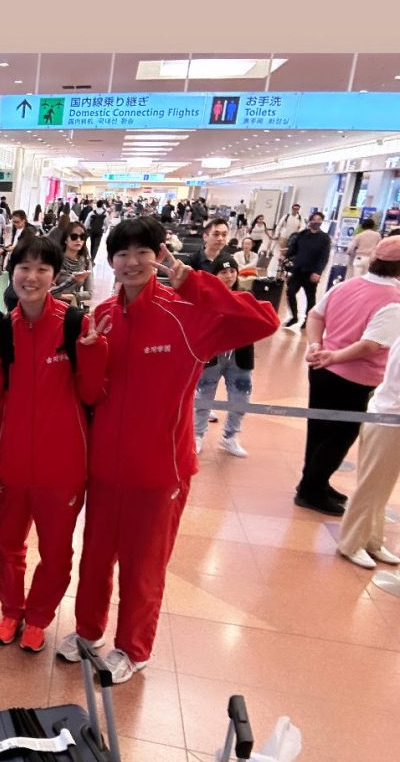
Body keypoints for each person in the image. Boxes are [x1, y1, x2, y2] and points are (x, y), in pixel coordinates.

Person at [56, 216, 279, 683]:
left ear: (160, 255)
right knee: (94, 558)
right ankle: (88, 631)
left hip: (161, 470)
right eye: (122, 254)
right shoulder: (103, 315)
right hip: (105, 467)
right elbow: (92, 394)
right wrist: (91, 352)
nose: (132, 262)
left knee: (143, 566)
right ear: (111, 261)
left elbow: (265, 319)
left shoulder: (186, 311)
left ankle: (133, 649)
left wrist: (197, 284)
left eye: (143, 252)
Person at [0, 237, 108, 652]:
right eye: (24, 267)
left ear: (55, 277)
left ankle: (38, 617)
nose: (31, 277)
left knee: (56, 552)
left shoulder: (75, 326)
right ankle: (10, 611)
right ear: (12, 272)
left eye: (42, 269)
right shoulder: (1, 333)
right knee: (8, 544)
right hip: (12, 464)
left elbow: (91, 394)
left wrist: (94, 352)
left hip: (63, 467)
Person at [295, 238, 400, 515]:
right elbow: (370, 345)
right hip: (353, 378)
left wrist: (316, 346)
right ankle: (311, 492)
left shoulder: (347, 285)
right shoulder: (393, 300)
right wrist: (335, 356)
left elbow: (315, 315)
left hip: (321, 370)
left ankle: (313, 482)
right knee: (340, 435)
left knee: (318, 431)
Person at [336, 328, 400, 569]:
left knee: (384, 485)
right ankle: (351, 543)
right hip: (387, 418)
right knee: (370, 485)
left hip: (392, 419)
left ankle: (372, 539)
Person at [194, 260, 257, 457]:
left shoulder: (246, 296)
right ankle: (197, 435)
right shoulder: (206, 297)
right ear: (215, 275)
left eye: (232, 271)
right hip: (212, 355)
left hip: (240, 356)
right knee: (204, 395)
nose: (229, 276)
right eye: (223, 272)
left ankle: (230, 436)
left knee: (241, 398)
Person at [282, 210, 332, 327]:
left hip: (311, 272)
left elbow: (324, 257)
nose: (316, 222)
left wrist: (318, 272)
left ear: (322, 222)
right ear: (310, 221)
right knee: (290, 292)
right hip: (298, 270)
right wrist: (285, 255)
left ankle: (307, 320)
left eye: (319, 220)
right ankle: (294, 317)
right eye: (314, 219)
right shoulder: (302, 234)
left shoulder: (325, 238)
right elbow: (294, 249)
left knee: (310, 297)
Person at [51, 221, 93, 308]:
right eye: (74, 237)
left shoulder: (86, 262)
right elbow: (48, 290)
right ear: (65, 240)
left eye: (82, 237)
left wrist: (72, 296)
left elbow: (89, 293)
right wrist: (66, 296)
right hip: (54, 306)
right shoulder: (56, 259)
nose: (79, 240)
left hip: (73, 308)